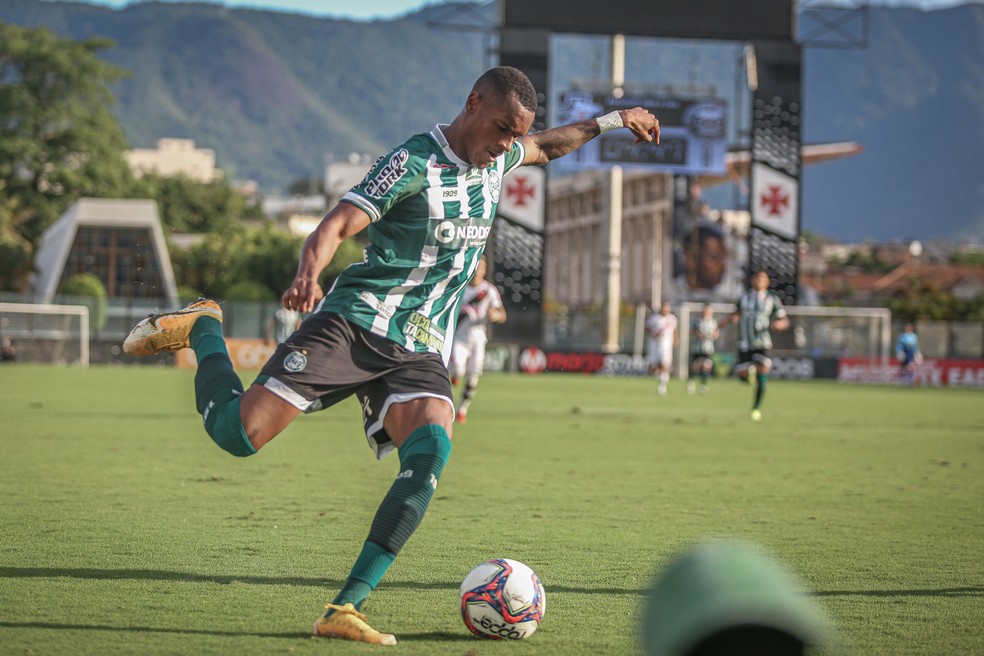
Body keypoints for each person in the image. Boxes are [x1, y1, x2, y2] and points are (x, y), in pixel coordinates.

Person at [122, 66, 660, 645]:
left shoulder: (499, 159)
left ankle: (343, 608)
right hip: (354, 326)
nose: (507, 144)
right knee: (238, 434)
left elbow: (550, 145)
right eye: (501, 128)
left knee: (431, 453)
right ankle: (204, 327)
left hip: (420, 347)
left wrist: (614, 119)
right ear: (472, 103)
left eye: (514, 135)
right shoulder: (413, 162)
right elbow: (334, 225)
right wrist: (309, 274)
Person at [449, 256, 505, 424]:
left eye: (481, 267)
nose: (477, 270)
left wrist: (495, 315)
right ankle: (455, 376)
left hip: (479, 338)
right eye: (475, 266)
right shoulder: (460, 287)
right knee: (458, 369)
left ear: (484, 270)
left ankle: (462, 409)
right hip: (459, 336)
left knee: (473, 377)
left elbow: (502, 314)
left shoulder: (489, 291)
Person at [727, 270, 789, 421]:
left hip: (763, 342)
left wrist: (780, 324)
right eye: (756, 278)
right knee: (742, 376)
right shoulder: (744, 297)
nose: (759, 281)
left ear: (767, 282)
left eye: (762, 278)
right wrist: (729, 321)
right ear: (752, 280)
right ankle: (748, 377)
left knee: (763, 375)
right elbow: (734, 314)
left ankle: (756, 408)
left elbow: (784, 320)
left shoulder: (772, 299)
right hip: (745, 342)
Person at [646, 301, 678, 397]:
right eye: (664, 308)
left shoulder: (672, 319)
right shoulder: (654, 318)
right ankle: (660, 377)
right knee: (653, 367)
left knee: (665, 364)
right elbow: (646, 328)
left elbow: (674, 331)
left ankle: (662, 386)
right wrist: (653, 333)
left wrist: (676, 340)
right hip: (654, 345)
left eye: (667, 308)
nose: (666, 310)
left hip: (666, 345)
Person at [688, 304, 719, 395]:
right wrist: (698, 334)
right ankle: (691, 381)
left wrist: (714, 335)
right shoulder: (697, 320)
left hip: (708, 348)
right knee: (696, 366)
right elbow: (691, 331)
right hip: (697, 347)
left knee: (706, 366)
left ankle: (703, 386)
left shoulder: (713, 322)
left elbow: (716, 332)